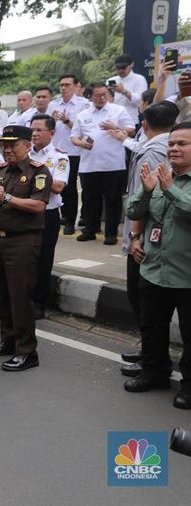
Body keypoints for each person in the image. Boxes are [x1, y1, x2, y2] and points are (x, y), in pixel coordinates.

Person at [123, 122, 191, 409]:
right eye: (171, 143)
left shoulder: (171, 182)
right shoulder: (160, 176)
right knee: (152, 326)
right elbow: (134, 211)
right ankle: (155, 372)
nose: (174, 148)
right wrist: (148, 191)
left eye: (182, 144)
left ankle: (189, 385)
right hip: (153, 268)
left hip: (186, 274)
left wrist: (170, 189)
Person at [0, 125, 52, 371]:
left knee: (21, 296)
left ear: (27, 146)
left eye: (13, 145)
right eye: (5, 145)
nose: (8, 150)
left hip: (22, 241)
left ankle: (27, 351)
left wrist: (6, 198)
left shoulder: (38, 171)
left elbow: (38, 205)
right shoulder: (0, 171)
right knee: (3, 294)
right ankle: (8, 341)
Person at [120, 101, 177, 378]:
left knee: (143, 300)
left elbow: (144, 198)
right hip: (152, 234)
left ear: (144, 124)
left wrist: (134, 237)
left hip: (146, 237)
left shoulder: (153, 151)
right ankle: (150, 353)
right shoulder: (167, 147)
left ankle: (152, 357)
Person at [70, 83, 135, 244]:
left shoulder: (118, 110)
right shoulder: (83, 114)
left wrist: (116, 127)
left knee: (112, 199)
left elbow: (131, 129)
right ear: (90, 97)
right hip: (89, 164)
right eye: (97, 95)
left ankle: (111, 233)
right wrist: (81, 144)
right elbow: (74, 136)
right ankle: (91, 230)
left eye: (104, 94)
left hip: (113, 164)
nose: (101, 98)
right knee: (90, 199)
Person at [28, 114, 70, 319]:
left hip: (47, 214)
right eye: (32, 130)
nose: (34, 134)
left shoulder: (59, 157)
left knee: (43, 261)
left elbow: (58, 186)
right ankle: (20, 299)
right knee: (22, 259)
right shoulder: (23, 153)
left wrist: (34, 175)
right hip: (23, 211)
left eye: (39, 130)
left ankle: (38, 303)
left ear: (51, 133)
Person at [50, 74, 90, 236]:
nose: (64, 88)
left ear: (76, 86)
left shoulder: (83, 105)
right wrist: (51, 120)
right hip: (55, 151)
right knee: (55, 185)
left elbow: (83, 131)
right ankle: (61, 214)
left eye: (67, 85)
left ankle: (70, 221)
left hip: (73, 152)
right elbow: (47, 126)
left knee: (70, 187)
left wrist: (67, 121)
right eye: (61, 85)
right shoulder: (53, 104)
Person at [109, 54, 149, 123]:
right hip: (112, 120)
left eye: (123, 67)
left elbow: (141, 101)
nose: (120, 70)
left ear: (131, 65)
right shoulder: (111, 80)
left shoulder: (139, 79)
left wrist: (124, 92)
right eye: (118, 68)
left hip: (130, 120)